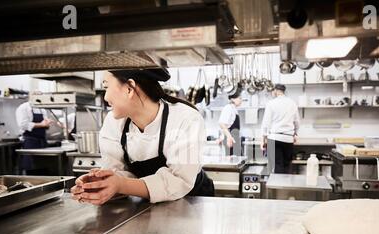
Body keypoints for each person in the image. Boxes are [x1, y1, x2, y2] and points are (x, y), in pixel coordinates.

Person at [70, 67, 214, 205]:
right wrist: (101, 183)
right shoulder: (113, 122)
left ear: (129, 88)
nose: (106, 97)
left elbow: (178, 181)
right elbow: (118, 174)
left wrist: (121, 184)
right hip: (146, 208)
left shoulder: (186, 119)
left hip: (192, 203)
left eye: (106, 86)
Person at [261, 84, 300, 174]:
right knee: (287, 165)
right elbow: (297, 122)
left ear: (275, 91)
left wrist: (263, 139)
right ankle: (285, 187)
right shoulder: (292, 103)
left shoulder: (271, 103)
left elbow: (266, 123)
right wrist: (295, 133)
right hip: (288, 138)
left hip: (274, 138)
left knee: (277, 165)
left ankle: (277, 186)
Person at [15, 101, 53, 174]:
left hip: (42, 141)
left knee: (44, 167)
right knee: (31, 167)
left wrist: (47, 124)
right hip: (30, 141)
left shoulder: (42, 109)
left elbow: (45, 123)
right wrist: (41, 124)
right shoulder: (23, 107)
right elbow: (23, 125)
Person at [218, 90, 242, 156]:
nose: (241, 100)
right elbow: (222, 123)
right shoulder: (228, 108)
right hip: (231, 140)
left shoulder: (234, 109)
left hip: (235, 139)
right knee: (231, 160)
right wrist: (229, 137)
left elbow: (227, 125)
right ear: (232, 99)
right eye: (239, 98)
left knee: (236, 159)